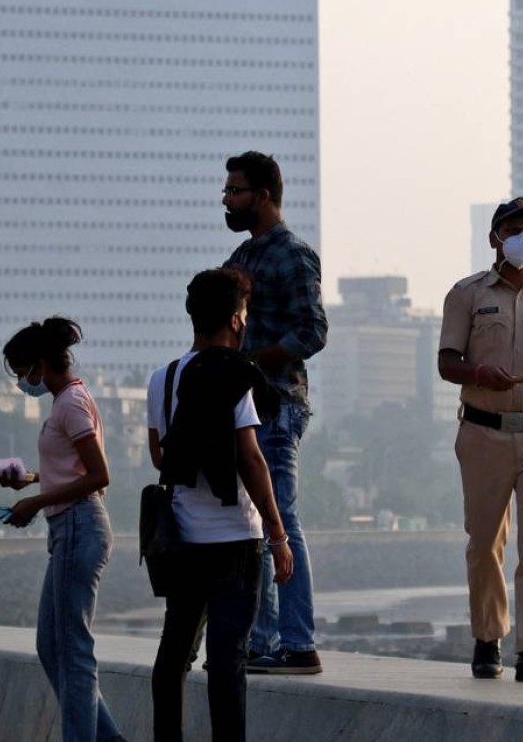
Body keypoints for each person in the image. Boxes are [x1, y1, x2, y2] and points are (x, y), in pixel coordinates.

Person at [147, 268, 295, 742]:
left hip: (185, 539)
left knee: (174, 655)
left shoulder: (163, 377)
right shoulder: (237, 375)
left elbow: (159, 456)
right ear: (236, 319)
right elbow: (251, 460)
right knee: (227, 661)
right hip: (236, 542)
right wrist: (277, 533)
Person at [437, 197, 523, 683]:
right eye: (517, 230)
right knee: (485, 542)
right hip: (484, 431)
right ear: (495, 237)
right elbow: (447, 362)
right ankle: (488, 637)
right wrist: (479, 372)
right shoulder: (467, 294)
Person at [220, 151, 328, 675]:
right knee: (256, 528)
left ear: (263, 196)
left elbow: (313, 332)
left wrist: (252, 359)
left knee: (280, 522)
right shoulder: (243, 256)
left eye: (235, 191)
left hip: (278, 403)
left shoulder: (292, 255)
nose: (226, 199)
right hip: (245, 408)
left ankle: (299, 642)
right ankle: (262, 643)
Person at [0, 318, 126, 742]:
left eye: (22, 374)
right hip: (69, 527)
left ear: (39, 365)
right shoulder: (67, 401)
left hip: (78, 524)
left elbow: (99, 475)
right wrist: (31, 479)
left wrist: (36, 501)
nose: (23, 383)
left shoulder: (70, 404)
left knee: (72, 651)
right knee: (51, 647)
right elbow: (71, 468)